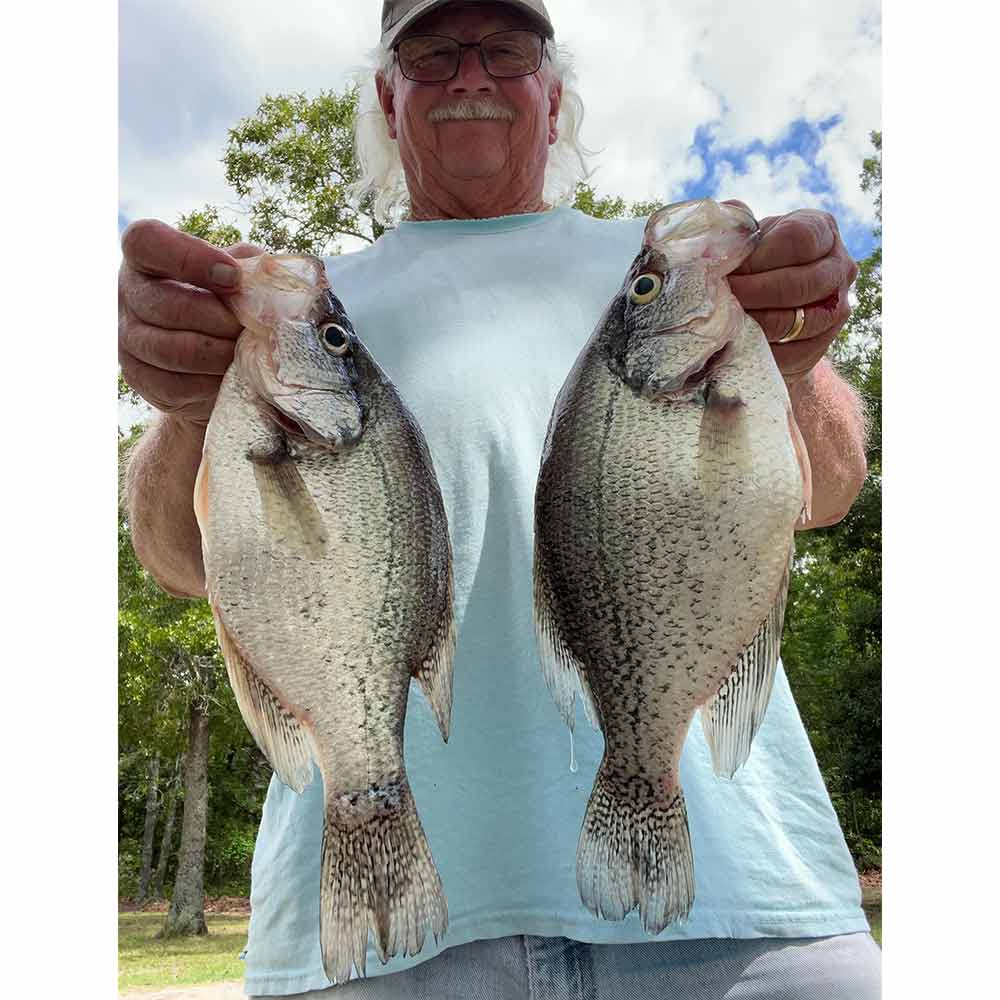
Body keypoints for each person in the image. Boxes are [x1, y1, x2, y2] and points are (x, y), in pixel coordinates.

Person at [119, 2, 878, 997]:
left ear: (554, 94)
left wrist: (795, 356)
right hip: (380, 945)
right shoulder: (301, 309)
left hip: (745, 900)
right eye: (430, 52)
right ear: (387, 97)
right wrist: (183, 412)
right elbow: (178, 559)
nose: (469, 73)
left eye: (505, 49)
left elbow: (825, 488)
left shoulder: (666, 272)